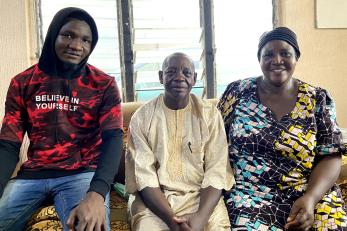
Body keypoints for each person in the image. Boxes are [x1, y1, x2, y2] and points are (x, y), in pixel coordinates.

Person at [0, 7, 123, 231]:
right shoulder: (23, 82)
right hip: (32, 176)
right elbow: (8, 145)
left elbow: (113, 140)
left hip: (83, 174)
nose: (77, 46)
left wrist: (97, 193)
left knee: (88, 226)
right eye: (68, 35)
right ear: (53, 34)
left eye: (86, 40)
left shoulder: (103, 84)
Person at [217, 26, 347, 230]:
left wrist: (310, 199)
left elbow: (331, 155)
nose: (277, 60)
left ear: (297, 57)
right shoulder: (237, 93)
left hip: (310, 189)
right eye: (268, 54)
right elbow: (214, 141)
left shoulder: (317, 98)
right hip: (250, 195)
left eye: (285, 53)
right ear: (259, 59)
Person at [125, 52, 234, 230]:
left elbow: (217, 170)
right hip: (154, 204)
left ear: (194, 79)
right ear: (161, 77)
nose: (179, 77)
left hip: (201, 200)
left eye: (186, 72)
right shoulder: (142, 117)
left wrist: (200, 219)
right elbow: (144, 178)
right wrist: (172, 222)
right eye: (171, 72)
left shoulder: (209, 115)